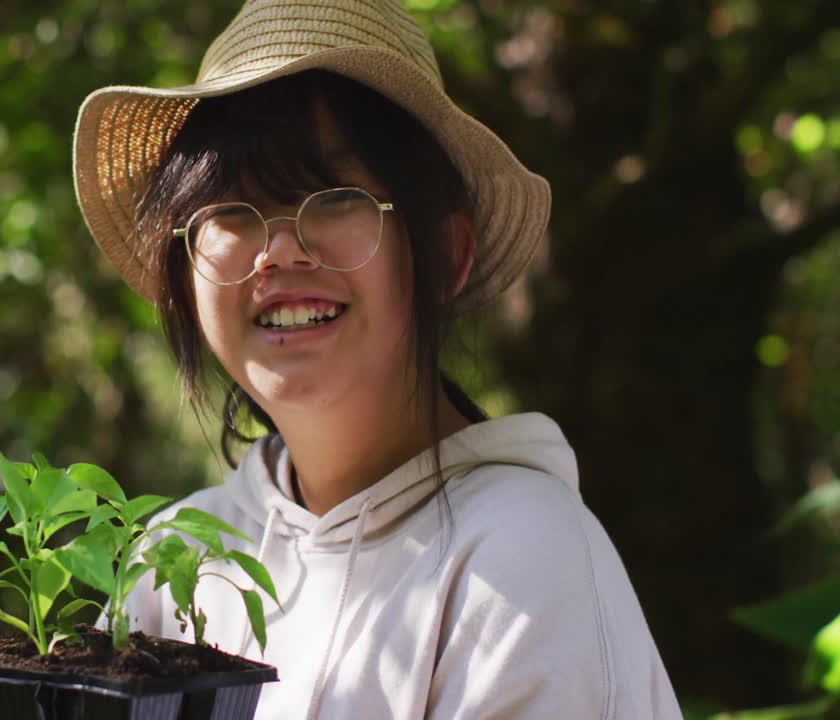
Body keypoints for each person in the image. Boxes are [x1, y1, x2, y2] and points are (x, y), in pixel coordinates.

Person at [73, 1, 684, 718]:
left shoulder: (522, 558)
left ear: (448, 254)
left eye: (333, 197)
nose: (278, 251)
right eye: (230, 212)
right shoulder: (174, 559)